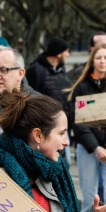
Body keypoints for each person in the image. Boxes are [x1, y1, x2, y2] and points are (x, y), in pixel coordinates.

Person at [67, 45, 106, 212]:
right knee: (90, 199)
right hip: (89, 150)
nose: (102, 61)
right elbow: (79, 123)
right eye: (99, 58)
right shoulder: (81, 88)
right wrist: (95, 147)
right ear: (92, 61)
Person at [26, 37, 74, 166]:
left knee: (65, 163)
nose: (68, 54)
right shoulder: (36, 70)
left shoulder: (62, 70)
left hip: (62, 124)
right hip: (45, 127)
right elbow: (29, 98)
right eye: (67, 51)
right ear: (59, 54)